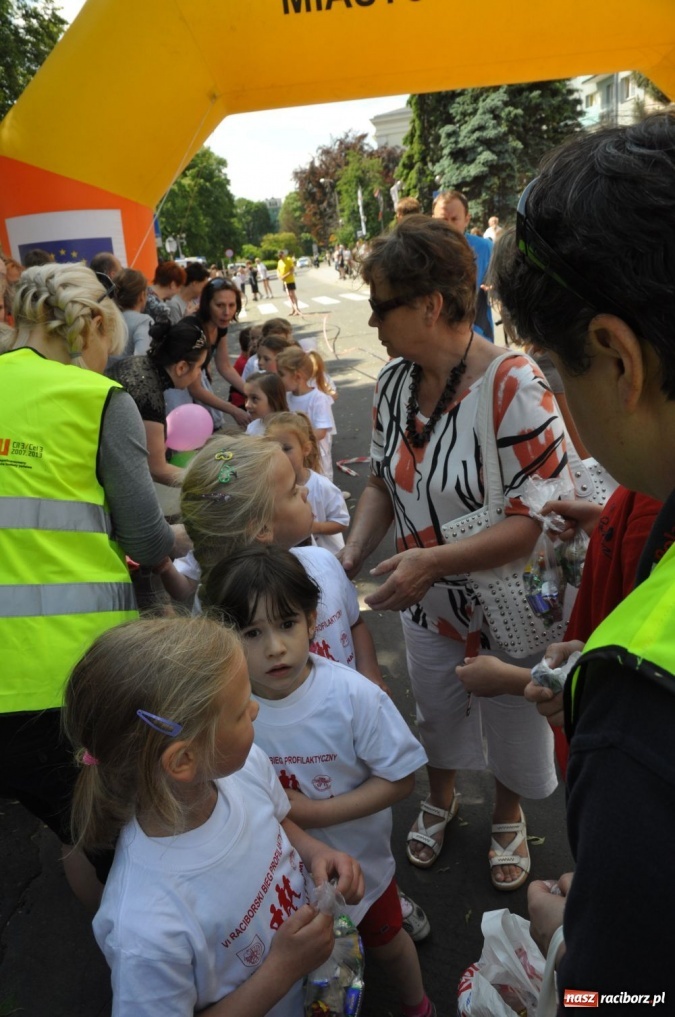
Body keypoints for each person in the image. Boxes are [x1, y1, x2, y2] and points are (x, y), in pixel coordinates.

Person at [491, 110, 675, 1001]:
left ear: (615, 355)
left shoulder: (639, 701)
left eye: (557, 374)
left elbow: (624, 997)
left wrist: (572, 937)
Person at [341, 214, 569, 888]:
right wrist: (350, 555)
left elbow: (536, 520)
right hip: (426, 601)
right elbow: (384, 479)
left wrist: (431, 560)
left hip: (510, 604)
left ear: (431, 305)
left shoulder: (513, 387)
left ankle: (506, 813)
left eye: (382, 305)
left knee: (511, 715)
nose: (374, 321)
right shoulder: (392, 384)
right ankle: (439, 797)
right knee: (436, 706)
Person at [63, 615, 364, 1016]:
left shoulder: (244, 769)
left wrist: (313, 853)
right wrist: (281, 969)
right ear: (184, 759)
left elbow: (276, 821)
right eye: (240, 711)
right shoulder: (145, 928)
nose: (255, 710)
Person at [0, 263, 183, 911]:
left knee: (74, 831)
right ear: (94, 324)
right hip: (76, 685)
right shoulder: (97, 401)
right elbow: (147, 542)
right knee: (124, 846)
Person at [203, 546, 436, 1017]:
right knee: (313, 967)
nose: (274, 647)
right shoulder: (226, 711)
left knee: (387, 941)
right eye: (251, 632)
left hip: (362, 868)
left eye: (286, 624)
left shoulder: (353, 696)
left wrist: (312, 812)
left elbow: (401, 779)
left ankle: (418, 1007)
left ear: (313, 621)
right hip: (278, 883)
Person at [173, 435, 387, 692]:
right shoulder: (216, 613)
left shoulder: (324, 563)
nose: (306, 491)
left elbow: (354, 623)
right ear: (262, 527)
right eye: (294, 490)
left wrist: (370, 674)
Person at [106, 315, 209, 486]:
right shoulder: (150, 399)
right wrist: (209, 483)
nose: (199, 374)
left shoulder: (136, 362)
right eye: (199, 367)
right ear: (181, 367)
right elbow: (158, 469)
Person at [166, 278, 249, 430]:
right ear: (206, 305)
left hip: (192, 386)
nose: (227, 312)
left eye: (232, 305)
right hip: (173, 392)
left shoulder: (219, 325)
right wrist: (234, 410)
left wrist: (251, 391)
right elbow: (195, 389)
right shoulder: (193, 330)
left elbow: (224, 367)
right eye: (219, 305)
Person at [265, 411, 349, 554]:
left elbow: (341, 522)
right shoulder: (269, 486)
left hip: (327, 558)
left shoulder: (322, 486)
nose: (279, 455)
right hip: (293, 560)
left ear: (306, 449)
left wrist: (313, 527)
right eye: (272, 448)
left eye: (286, 448)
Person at [433, 190, 494, 341]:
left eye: (454, 219)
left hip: (478, 340)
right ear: (433, 220)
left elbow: (502, 285)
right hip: (435, 345)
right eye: (443, 219)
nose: (448, 225)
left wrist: (496, 289)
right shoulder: (422, 252)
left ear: (467, 219)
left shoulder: (485, 248)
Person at [276, 345, 337, 480]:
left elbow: (321, 432)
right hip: (297, 454)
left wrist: (296, 441)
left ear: (297, 377)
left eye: (281, 374)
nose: (278, 378)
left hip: (316, 457)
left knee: (318, 484)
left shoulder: (318, 399)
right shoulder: (287, 397)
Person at [111, 267, 152, 359]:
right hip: (127, 372)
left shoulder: (104, 319)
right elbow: (142, 359)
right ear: (142, 296)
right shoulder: (143, 321)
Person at [277, 250, 300, 316]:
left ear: (284, 254)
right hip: (284, 281)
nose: (281, 257)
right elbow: (278, 270)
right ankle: (292, 309)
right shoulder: (279, 262)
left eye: (281, 255)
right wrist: (279, 276)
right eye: (279, 256)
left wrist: (285, 276)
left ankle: (297, 309)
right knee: (289, 296)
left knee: (292, 294)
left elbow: (292, 270)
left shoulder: (288, 259)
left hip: (290, 280)